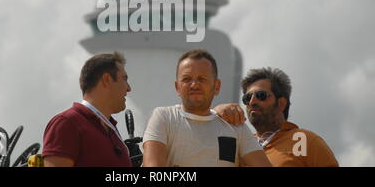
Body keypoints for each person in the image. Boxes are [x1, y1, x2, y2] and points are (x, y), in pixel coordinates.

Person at [142, 49, 271, 167]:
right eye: (187, 79)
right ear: (177, 87)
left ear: (216, 86)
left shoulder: (236, 126)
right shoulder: (164, 117)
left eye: (202, 79)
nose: (194, 85)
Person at [214, 67, 339, 167]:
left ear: (281, 103)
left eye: (261, 95)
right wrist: (216, 114)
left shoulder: (305, 140)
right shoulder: (239, 143)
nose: (252, 102)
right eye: (247, 98)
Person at [42, 52, 132, 167]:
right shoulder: (66, 123)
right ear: (107, 79)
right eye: (124, 79)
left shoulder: (111, 130)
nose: (129, 88)